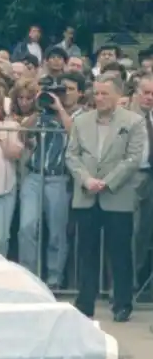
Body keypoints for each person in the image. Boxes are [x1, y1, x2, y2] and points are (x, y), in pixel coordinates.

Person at [65, 72, 145, 321]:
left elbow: (133, 158)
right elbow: (72, 155)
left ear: (118, 95)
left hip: (117, 196)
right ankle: (85, 302)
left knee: (119, 253)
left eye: (104, 93)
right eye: (96, 93)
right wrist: (86, 179)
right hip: (86, 194)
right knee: (86, 252)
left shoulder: (134, 122)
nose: (99, 98)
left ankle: (122, 303)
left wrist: (108, 182)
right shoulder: (81, 121)